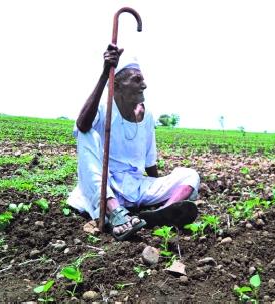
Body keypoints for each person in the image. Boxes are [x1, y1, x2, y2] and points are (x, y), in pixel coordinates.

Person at [68, 44, 200, 241]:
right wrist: (106, 73)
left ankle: (162, 212)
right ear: (118, 85)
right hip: (106, 186)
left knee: (189, 175)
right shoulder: (104, 109)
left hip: (135, 186)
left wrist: (160, 188)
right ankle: (115, 212)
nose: (144, 85)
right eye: (137, 80)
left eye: (143, 80)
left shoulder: (147, 117)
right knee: (85, 133)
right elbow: (82, 124)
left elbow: (150, 162)